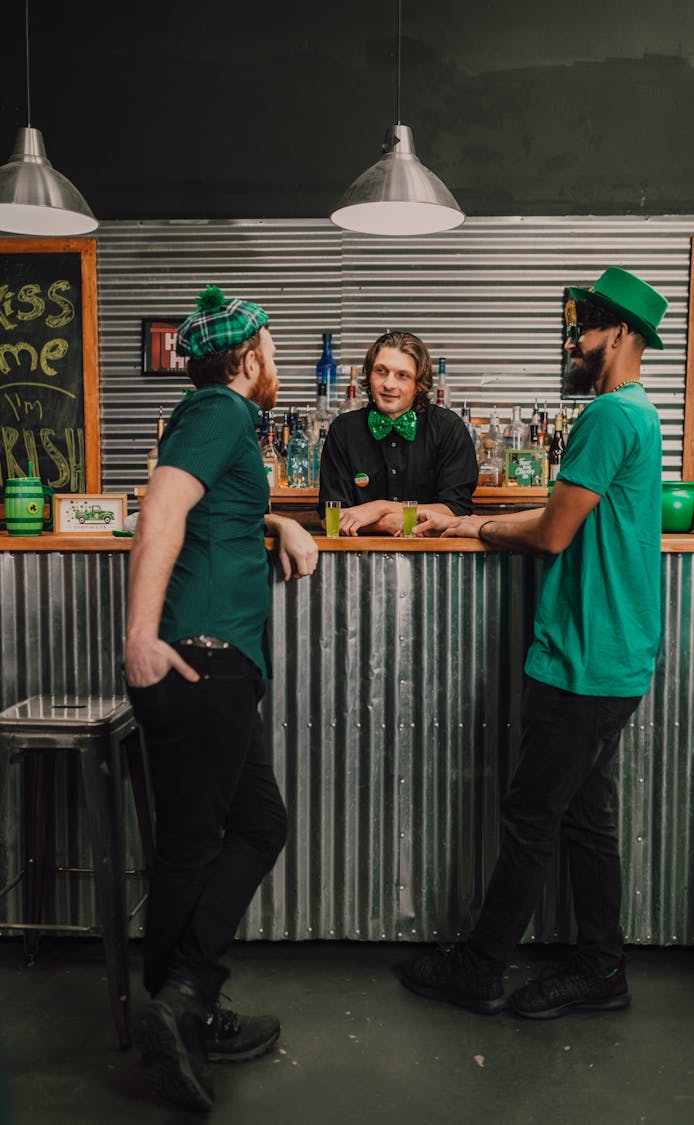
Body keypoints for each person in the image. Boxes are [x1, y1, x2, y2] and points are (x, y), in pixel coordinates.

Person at [398, 267, 668, 1020]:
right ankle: (602, 968)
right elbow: (564, 505)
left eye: (582, 330)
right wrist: (467, 519)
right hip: (613, 656)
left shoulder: (611, 415)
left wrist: (472, 524)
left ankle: (481, 968)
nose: (573, 343)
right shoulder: (639, 414)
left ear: (616, 333)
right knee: (584, 816)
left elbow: (553, 530)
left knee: (530, 817)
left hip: (583, 660)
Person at [124, 285, 318, 1111]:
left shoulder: (220, 423)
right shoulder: (218, 410)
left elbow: (213, 512)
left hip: (219, 660)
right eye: (271, 349)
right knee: (193, 845)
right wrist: (139, 635)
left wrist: (277, 524)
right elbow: (163, 508)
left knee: (253, 823)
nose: (276, 363)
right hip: (197, 659)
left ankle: (185, 1003)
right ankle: (178, 1008)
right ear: (245, 359)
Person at [317, 331, 478, 535]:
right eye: (381, 371)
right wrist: (389, 523)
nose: (389, 384)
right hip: (358, 558)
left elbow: (456, 512)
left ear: (419, 384)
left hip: (433, 558)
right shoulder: (343, 429)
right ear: (369, 374)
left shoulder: (448, 428)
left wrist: (380, 507)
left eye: (403, 375)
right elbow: (329, 517)